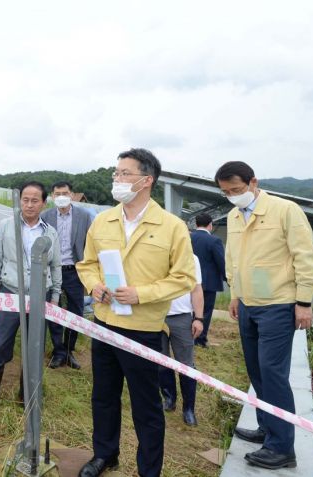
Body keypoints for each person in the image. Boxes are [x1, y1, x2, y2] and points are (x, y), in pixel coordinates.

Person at [76, 148, 195, 477]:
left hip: (143, 329)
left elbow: (184, 278)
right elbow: (86, 264)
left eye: (124, 174)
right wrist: (94, 286)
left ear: (147, 180)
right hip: (104, 323)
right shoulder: (103, 220)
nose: (117, 179)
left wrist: (141, 294)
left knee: (146, 406)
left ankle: (149, 469)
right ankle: (105, 454)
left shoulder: (171, 227)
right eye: (116, 174)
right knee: (103, 395)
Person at [215, 161, 313, 470]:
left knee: (272, 373)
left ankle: (282, 447)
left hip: (279, 303)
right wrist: (235, 294)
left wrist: (304, 301)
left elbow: (305, 256)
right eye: (226, 192)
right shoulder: (234, 216)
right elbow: (232, 258)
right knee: (256, 371)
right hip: (249, 303)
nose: (233, 196)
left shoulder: (285, 210)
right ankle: (267, 425)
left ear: (253, 182)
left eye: (236, 189)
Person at [0, 181, 61, 418]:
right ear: (19, 201)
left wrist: (55, 295)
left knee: (34, 347)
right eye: (25, 199)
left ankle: (26, 395)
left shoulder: (50, 232)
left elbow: (56, 265)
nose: (29, 204)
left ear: (43, 203)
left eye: (34, 200)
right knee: (0, 345)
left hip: (40, 296)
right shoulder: (6, 227)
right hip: (10, 293)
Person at [41, 180, 93, 369]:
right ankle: (58, 350)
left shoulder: (84, 216)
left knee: (76, 311)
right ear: (52, 196)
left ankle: (69, 349)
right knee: (53, 309)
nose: (61, 197)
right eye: (57, 193)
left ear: (72, 195)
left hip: (74, 270)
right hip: (52, 269)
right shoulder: (45, 216)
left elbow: (91, 243)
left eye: (65, 193)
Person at [159, 255, 204, 426]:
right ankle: (169, 398)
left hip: (182, 318)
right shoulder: (156, 253)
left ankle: (189, 409)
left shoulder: (191, 258)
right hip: (157, 316)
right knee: (161, 361)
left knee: (186, 364)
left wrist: (199, 318)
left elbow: (196, 289)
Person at [190, 212, 226, 347]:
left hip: (190, 280)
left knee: (191, 309)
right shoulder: (214, 240)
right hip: (209, 282)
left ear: (196, 224)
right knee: (205, 311)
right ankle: (200, 339)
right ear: (210, 225)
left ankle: (189, 336)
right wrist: (227, 278)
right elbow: (220, 262)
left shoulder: (189, 237)